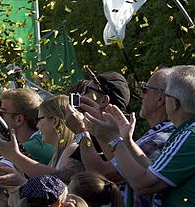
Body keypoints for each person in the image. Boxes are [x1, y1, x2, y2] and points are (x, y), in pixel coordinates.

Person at [108, 64, 195, 206]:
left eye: (166, 96)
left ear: (175, 104)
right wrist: (128, 141)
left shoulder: (194, 137)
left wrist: (113, 138)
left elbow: (143, 185)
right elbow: (154, 171)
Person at [73, 68, 175, 206]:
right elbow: (114, 162)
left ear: (161, 98)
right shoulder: (155, 135)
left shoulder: (159, 139)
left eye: (145, 89)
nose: (141, 95)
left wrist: (81, 131)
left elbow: (102, 174)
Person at [0, 95, 81, 182]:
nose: (37, 125)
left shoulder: (71, 149)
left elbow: (58, 185)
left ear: (55, 121)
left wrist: (14, 155)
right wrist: (21, 181)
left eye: (40, 119)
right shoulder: (58, 153)